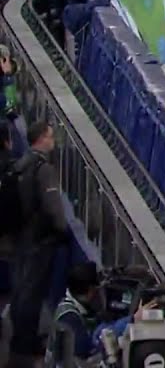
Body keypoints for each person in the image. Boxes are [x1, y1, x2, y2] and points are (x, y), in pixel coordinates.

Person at [9, 121, 69, 368]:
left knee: (21, 289)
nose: (53, 141)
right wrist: (62, 230)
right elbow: (53, 207)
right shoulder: (43, 168)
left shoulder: (20, 164)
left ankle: (18, 337)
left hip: (20, 237)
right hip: (40, 240)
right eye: (50, 136)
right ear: (41, 139)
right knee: (32, 292)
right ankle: (25, 343)